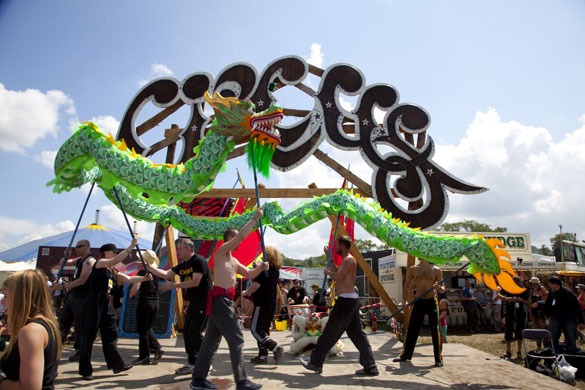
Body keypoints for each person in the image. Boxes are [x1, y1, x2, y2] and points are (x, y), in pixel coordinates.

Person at [190, 209, 269, 390]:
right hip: (220, 300)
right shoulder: (221, 251)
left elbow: (249, 273)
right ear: (229, 240)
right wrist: (254, 220)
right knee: (237, 339)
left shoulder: (233, 260)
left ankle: (198, 379)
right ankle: (241, 381)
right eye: (235, 240)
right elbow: (241, 236)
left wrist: (262, 268)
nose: (239, 244)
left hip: (224, 302)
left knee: (210, 341)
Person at [54, 239, 147, 380]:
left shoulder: (110, 268)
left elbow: (126, 278)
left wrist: (144, 279)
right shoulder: (99, 263)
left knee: (110, 332)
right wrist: (131, 247)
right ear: (105, 252)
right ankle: (85, 370)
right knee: (89, 335)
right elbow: (114, 260)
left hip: (104, 301)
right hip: (93, 301)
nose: (115, 253)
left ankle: (117, 364)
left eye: (116, 251)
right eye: (113, 251)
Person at [301, 235, 378, 376]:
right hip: (349, 301)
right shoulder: (346, 261)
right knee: (358, 335)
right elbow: (338, 272)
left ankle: (316, 362)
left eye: (336, 245)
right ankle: (370, 366)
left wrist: (327, 272)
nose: (335, 248)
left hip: (346, 301)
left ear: (342, 246)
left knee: (330, 332)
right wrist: (329, 259)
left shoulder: (349, 260)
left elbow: (337, 277)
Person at [143, 238, 212, 375]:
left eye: (180, 249)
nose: (178, 251)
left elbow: (195, 282)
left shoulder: (199, 261)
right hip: (194, 302)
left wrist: (173, 286)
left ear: (188, 249)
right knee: (186, 331)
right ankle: (192, 362)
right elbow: (166, 274)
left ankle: (204, 362)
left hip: (204, 301)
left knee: (194, 331)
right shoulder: (183, 264)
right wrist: (149, 267)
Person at [0, 270, 61, 390]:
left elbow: (30, 387)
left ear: (20, 297)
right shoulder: (44, 324)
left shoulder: (31, 331)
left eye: (6, 296)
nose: (3, 302)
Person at [393, 259, 445, 367]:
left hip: (431, 301)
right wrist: (405, 301)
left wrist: (439, 287)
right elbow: (406, 285)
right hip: (419, 300)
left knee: (435, 329)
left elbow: (443, 289)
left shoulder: (437, 270)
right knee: (412, 328)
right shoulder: (413, 269)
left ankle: (438, 359)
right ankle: (405, 355)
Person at [242, 246, 284, 365]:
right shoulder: (275, 270)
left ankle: (274, 347)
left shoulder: (265, 271)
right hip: (270, 303)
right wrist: (257, 269)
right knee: (263, 329)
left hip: (262, 303)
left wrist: (246, 292)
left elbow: (256, 285)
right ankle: (262, 355)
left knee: (255, 329)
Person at [57, 240, 94, 362]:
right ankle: (56, 346)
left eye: (79, 246)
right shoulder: (79, 260)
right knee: (62, 321)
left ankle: (80, 350)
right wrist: (66, 255)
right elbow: (63, 264)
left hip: (84, 296)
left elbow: (82, 280)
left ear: (87, 247)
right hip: (74, 295)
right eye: (76, 246)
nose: (77, 248)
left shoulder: (90, 261)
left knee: (80, 326)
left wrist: (63, 287)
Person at [130, 249, 164, 365]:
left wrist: (131, 295)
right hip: (155, 302)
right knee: (147, 327)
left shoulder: (142, 273)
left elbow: (136, 286)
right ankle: (156, 347)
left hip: (145, 302)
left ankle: (144, 355)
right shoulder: (156, 273)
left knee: (142, 329)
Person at [541, 276, 585, 354]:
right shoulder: (552, 292)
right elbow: (547, 304)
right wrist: (542, 316)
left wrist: (581, 321)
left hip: (569, 318)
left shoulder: (568, 292)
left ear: (555, 284)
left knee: (570, 337)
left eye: (550, 284)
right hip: (556, 317)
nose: (549, 285)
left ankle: (572, 355)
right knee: (553, 337)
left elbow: (577, 307)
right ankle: (552, 354)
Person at [498, 276, 529, 360]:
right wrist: (507, 298)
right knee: (508, 330)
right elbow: (499, 295)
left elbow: (529, 302)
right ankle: (508, 351)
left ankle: (519, 352)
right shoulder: (507, 287)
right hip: (509, 311)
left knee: (519, 331)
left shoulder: (523, 289)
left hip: (520, 312)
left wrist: (521, 300)